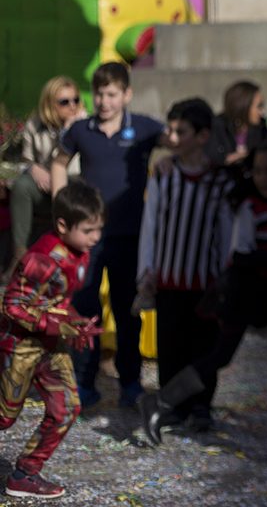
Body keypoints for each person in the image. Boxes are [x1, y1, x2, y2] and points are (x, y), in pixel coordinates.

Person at [139, 144, 267, 444]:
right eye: (259, 172)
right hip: (246, 291)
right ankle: (159, 402)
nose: (265, 179)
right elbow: (239, 255)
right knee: (219, 357)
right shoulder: (249, 207)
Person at [51, 62, 164, 409]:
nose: (104, 101)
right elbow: (58, 162)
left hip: (129, 234)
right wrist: (62, 207)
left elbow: (177, 144)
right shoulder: (81, 130)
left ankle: (130, 382)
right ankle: (85, 382)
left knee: (126, 308)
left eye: (112, 94)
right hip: (90, 238)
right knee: (85, 308)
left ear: (127, 95)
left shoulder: (144, 128)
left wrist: (169, 162)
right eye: (99, 93)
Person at [135, 98, 234, 432]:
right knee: (170, 346)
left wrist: (224, 276)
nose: (172, 137)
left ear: (203, 135)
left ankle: (202, 406)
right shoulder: (164, 175)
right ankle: (171, 406)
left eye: (181, 131)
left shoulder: (219, 180)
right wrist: (146, 271)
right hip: (169, 279)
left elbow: (225, 231)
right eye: (171, 129)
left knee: (204, 345)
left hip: (205, 282)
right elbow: (151, 224)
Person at [0, 181, 104, 499]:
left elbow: (59, 300)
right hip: (20, 345)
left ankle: (25, 474)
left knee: (67, 409)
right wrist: (57, 326)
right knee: (4, 416)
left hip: (49, 346)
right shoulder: (42, 260)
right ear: (62, 225)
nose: (95, 237)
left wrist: (76, 322)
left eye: (99, 229)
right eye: (88, 230)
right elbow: (12, 306)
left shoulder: (79, 253)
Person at [8, 77, 86, 272]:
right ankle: (20, 253)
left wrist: (69, 131)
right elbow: (26, 159)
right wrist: (34, 168)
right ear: (50, 104)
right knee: (22, 186)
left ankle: (64, 251)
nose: (72, 106)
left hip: (74, 182)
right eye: (64, 102)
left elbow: (66, 161)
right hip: (44, 184)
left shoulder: (83, 124)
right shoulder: (36, 124)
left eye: (75, 100)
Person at [206, 80, 267, 171]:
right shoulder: (217, 127)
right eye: (259, 106)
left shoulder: (261, 128)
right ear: (243, 105)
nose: (262, 112)